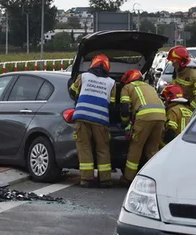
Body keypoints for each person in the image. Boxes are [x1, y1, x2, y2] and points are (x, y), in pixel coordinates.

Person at [68, 54, 116, 187]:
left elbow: (72, 92)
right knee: (102, 148)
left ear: (92, 64)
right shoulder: (111, 83)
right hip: (101, 119)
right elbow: (112, 105)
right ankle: (105, 179)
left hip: (82, 116)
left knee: (84, 147)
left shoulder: (83, 77)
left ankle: (86, 179)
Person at [118, 69, 166, 185]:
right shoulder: (150, 87)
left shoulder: (127, 87)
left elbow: (124, 109)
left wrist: (125, 123)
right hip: (161, 116)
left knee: (136, 147)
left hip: (145, 116)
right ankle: (156, 178)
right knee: (152, 149)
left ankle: (128, 178)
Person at [167, 46, 196, 110]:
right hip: (177, 109)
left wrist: (188, 109)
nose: (172, 64)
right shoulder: (177, 73)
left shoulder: (195, 76)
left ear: (181, 62)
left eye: (173, 61)